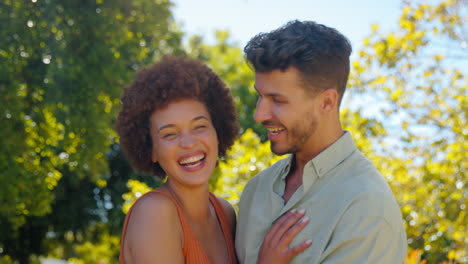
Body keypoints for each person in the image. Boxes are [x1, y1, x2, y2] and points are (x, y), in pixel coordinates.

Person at [235, 20, 407, 264]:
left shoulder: (366, 207)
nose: (259, 115)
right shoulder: (256, 190)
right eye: (260, 96)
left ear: (327, 102)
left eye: (277, 100)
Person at [116, 56, 310, 264]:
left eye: (199, 127)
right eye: (170, 134)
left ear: (217, 132)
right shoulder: (154, 214)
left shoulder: (225, 214)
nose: (188, 143)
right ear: (151, 150)